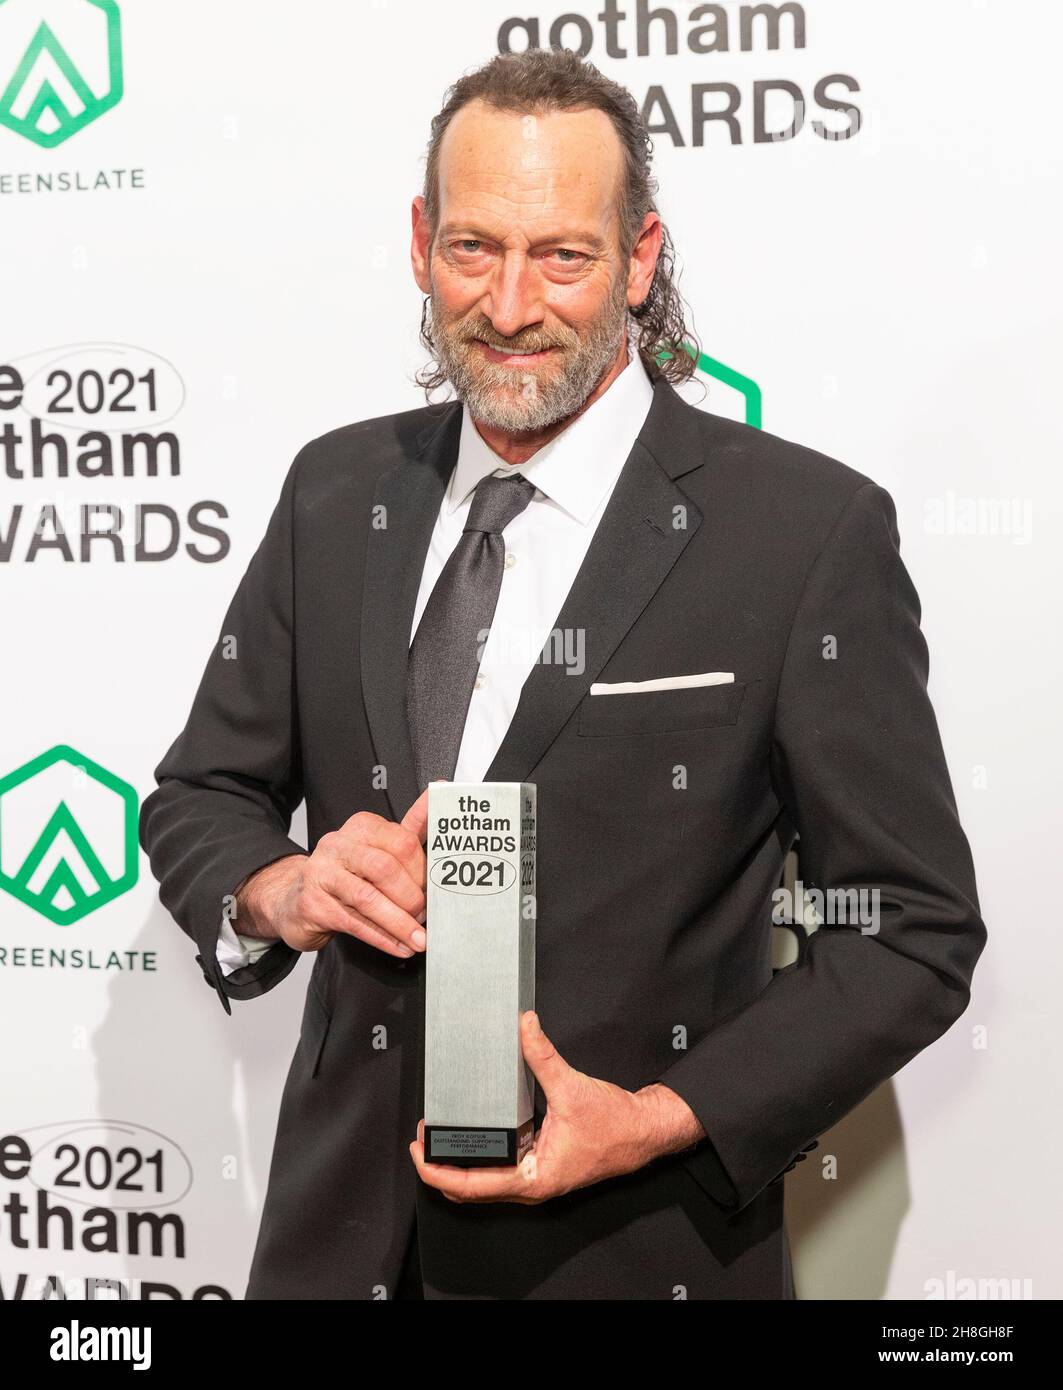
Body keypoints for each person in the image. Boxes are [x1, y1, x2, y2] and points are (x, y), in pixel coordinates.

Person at [139, 48, 986, 1300]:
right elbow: (202, 794)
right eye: (474, 248)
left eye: (564, 256)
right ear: (421, 241)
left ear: (640, 261)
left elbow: (911, 931)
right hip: (332, 1252)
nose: (512, 303)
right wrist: (281, 887)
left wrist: (663, 1114)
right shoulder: (337, 492)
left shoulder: (802, 535)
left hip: (637, 1256)